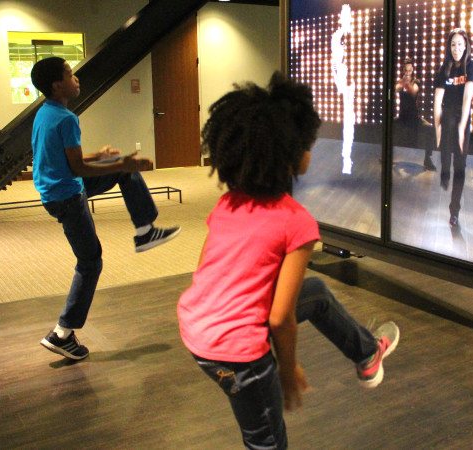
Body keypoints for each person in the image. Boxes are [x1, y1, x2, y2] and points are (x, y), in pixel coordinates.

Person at [178, 72, 400, 449]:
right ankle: (364, 355)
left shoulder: (227, 204)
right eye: (308, 145)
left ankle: (366, 354)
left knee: (313, 291)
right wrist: (288, 367)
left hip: (197, 328)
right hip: (239, 353)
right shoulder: (298, 224)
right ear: (290, 154)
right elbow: (280, 318)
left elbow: (205, 273)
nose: (311, 151)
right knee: (267, 442)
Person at [30, 57, 181, 360]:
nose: (76, 80)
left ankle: (145, 231)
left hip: (58, 190)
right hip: (68, 196)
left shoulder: (45, 113)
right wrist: (117, 161)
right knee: (90, 262)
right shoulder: (66, 119)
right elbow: (77, 169)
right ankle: (62, 333)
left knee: (122, 170)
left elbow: (66, 160)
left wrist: (104, 157)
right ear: (57, 84)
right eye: (70, 75)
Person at [434, 29, 473, 227]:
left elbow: (468, 98)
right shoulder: (444, 68)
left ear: (466, 45)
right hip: (448, 113)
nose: (457, 48)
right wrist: (436, 128)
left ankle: (454, 211)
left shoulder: (471, 65)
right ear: (449, 46)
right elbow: (437, 101)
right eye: (453, 44)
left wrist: (463, 126)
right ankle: (444, 170)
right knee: (446, 123)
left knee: (460, 165)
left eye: (460, 44)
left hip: (463, 115)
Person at [394, 56, 436, 171]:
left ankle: (427, 159)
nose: (407, 73)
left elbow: (413, 91)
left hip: (414, 119)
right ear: (403, 71)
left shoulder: (416, 82)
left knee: (429, 128)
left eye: (409, 70)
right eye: (405, 70)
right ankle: (386, 155)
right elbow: (394, 90)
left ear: (412, 71)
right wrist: (402, 83)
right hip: (402, 118)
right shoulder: (400, 83)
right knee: (387, 125)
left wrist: (406, 84)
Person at [331, 4, 356, 175]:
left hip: (353, 86)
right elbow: (334, 63)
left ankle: (347, 159)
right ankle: (346, 159)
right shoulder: (337, 37)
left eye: (348, 15)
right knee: (347, 123)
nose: (346, 18)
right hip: (343, 85)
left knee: (350, 123)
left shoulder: (355, 36)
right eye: (344, 15)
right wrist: (339, 84)